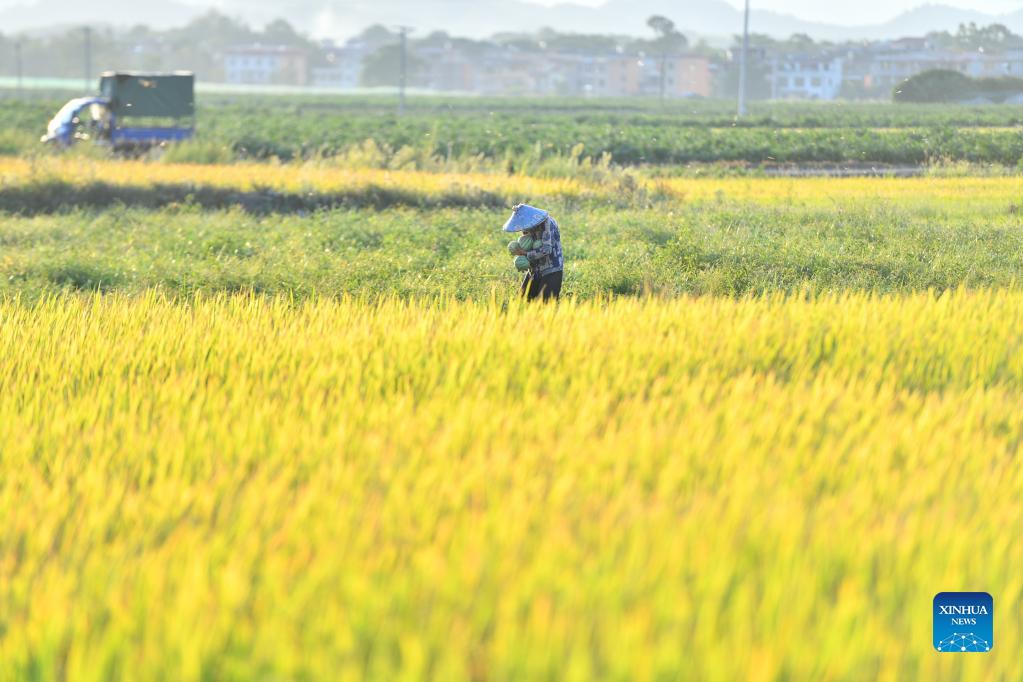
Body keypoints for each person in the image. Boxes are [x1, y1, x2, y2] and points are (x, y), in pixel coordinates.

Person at [502, 204, 564, 302]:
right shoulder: (529, 224)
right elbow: (529, 242)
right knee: (523, 300)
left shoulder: (546, 223)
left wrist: (525, 253)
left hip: (551, 269)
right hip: (535, 269)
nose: (523, 229)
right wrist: (521, 255)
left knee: (545, 305)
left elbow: (546, 249)